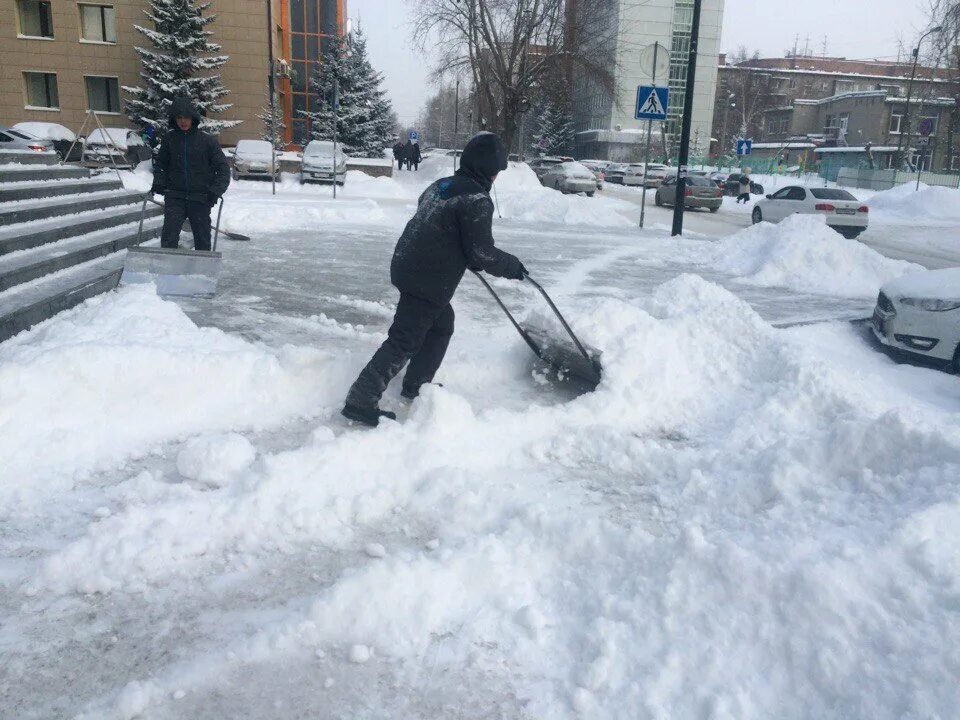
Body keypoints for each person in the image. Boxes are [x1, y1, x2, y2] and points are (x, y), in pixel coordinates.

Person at [342, 132, 527, 427]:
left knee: (441, 324)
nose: (496, 177)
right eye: (496, 171)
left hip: (407, 265)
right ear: (488, 169)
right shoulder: (476, 200)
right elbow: (480, 252)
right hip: (428, 279)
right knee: (405, 338)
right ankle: (360, 399)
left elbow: (441, 230)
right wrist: (512, 266)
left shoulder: (440, 185)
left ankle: (417, 385)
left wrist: (463, 252)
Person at [151, 96, 230, 251]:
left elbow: (223, 169)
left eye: (186, 117)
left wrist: (215, 191)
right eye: (179, 118)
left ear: (193, 118)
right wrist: (159, 182)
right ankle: (168, 269)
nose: (183, 122)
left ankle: (203, 271)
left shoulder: (207, 141)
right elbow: (161, 165)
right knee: (169, 235)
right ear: (174, 119)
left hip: (200, 198)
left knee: (202, 238)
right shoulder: (169, 139)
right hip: (175, 196)